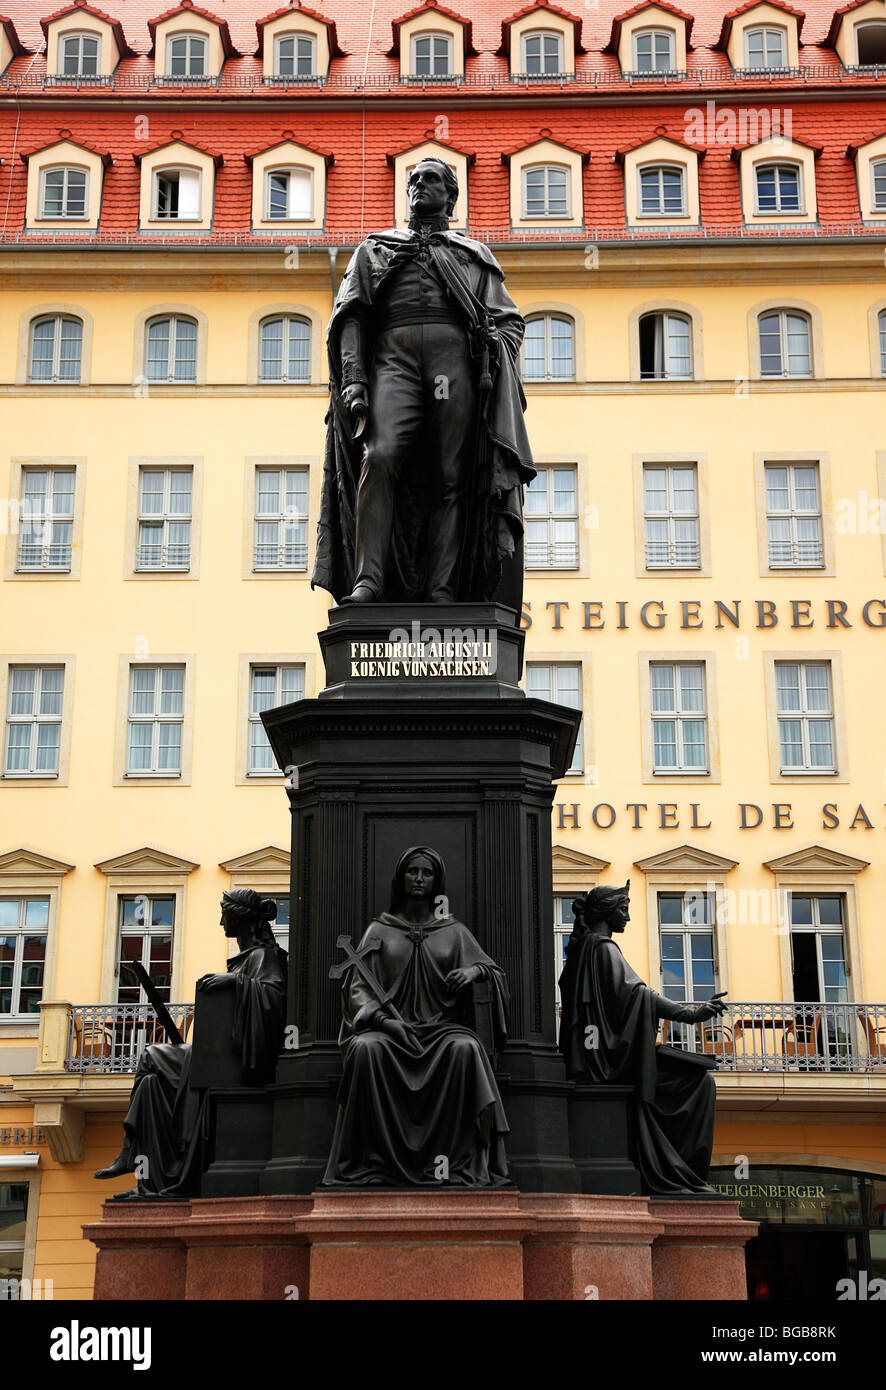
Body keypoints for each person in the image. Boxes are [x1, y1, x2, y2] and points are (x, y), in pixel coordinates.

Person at [312, 157, 535, 613]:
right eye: (412, 179)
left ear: (451, 196)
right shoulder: (373, 250)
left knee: (450, 475)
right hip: (393, 361)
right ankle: (368, 581)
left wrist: (493, 345)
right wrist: (354, 380)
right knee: (381, 454)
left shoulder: (473, 255)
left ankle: (443, 591)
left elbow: (510, 323)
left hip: (451, 367)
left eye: (430, 179)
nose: (418, 184)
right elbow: (350, 316)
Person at [323, 846, 510, 1187]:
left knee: (465, 1049)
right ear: (401, 878)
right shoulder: (379, 931)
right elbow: (358, 990)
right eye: (412, 872)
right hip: (389, 1032)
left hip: (440, 1031)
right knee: (366, 1050)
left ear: (437, 881)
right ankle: (371, 1160)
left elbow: (494, 972)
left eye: (427, 873)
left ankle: (458, 1161)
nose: (419, 879)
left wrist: (474, 973)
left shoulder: (453, 931)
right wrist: (384, 1022)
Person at [94, 889, 287, 1199]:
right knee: (149, 1087)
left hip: (237, 1058)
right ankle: (151, 1179)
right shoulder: (247, 959)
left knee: (150, 1055)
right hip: (221, 1054)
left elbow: (274, 998)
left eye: (226, 912)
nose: (222, 920)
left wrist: (234, 982)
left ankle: (127, 1154)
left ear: (241, 917)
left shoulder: (263, 956)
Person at [558, 881, 727, 1195]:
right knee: (701, 1084)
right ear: (608, 911)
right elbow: (639, 996)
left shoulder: (586, 949)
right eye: (623, 909)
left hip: (601, 1055)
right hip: (610, 1062)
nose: (628, 917)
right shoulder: (603, 949)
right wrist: (691, 1015)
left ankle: (676, 1171)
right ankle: (676, 1173)